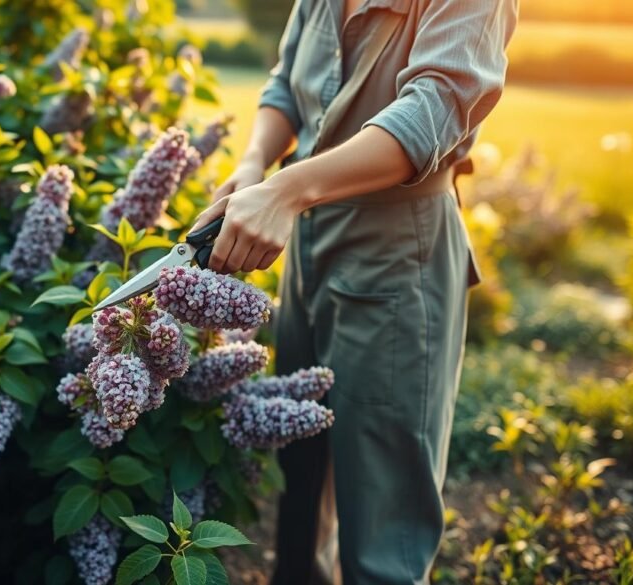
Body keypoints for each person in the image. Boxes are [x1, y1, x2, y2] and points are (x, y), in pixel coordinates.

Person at [189, 0, 518, 583]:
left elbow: (432, 111)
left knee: (383, 526)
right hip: (309, 238)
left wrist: (286, 191)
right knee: (299, 482)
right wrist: (253, 164)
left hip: (398, 252)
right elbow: (286, 85)